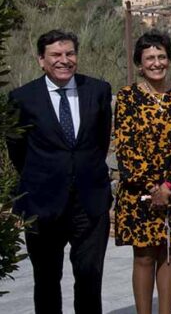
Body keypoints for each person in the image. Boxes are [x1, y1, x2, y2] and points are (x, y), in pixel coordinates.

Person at [7, 29, 113, 314]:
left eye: (70, 54)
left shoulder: (98, 91)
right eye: (56, 55)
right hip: (43, 204)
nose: (64, 60)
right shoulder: (22, 98)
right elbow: (17, 150)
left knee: (90, 279)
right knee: (46, 281)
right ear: (41, 60)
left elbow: (100, 142)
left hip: (90, 203)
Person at [114, 30, 171, 314]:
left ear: (169, 59)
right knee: (145, 256)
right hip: (140, 194)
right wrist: (153, 188)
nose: (156, 62)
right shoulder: (128, 97)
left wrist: (169, 186)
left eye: (161, 56)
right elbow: (126, 147)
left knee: (170, 253)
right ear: (140, 63)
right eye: (150, 57)